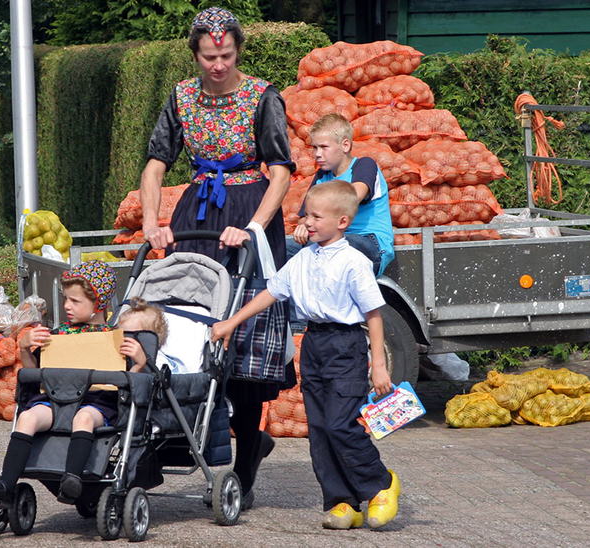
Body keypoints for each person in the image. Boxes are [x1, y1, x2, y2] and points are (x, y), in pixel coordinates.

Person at [138, 6, 295, 509]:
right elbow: (156, 163)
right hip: (200, 219)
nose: (218, 65)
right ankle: (181, 443)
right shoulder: (182, 96)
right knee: (190, 333)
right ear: (195, 54)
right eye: (209, 56)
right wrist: (150, 219)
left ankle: (244, 466)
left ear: (238, 51)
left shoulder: (262, 97)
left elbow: (281, 171)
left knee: (242, 349)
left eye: (226, 55)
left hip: (250, 214)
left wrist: (253, 227)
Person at [211, 181, 402, 530]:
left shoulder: (353, 262)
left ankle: (381, 484)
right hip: (314, 345)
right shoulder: (303, 259)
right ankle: (342, 501)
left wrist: (379, 365)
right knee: (319, 430)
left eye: (316, 217)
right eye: (306, 215)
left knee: (339, 424)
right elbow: (271, 292)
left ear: (342, 221)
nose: (308, 223)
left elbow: (374, 315)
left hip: (346, 347)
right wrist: (231, 322)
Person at [0, 261, 166, 504]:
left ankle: (72, 477)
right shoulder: (55, 336)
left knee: (82, 418)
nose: (66, 306)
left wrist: (138, 362)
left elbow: (129, 384)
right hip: (55, 399)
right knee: (27, 417)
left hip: (97, 403)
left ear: (99, 304)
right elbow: (34, 376)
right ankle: (5, 484)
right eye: (66, 299)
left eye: (75, 301)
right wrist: (25, 348)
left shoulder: (114, 339)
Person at [288, 113, 395, 276]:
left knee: (333, 245)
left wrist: (313, 220)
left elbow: (352, 198)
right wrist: (304, 224)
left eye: (324, 147)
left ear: (345, 145)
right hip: (330, 240)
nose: (317, 154)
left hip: (369, 243)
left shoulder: (364, 165)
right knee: (284, 248)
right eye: (315, 148)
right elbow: (304, 216)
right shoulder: (322, 176)